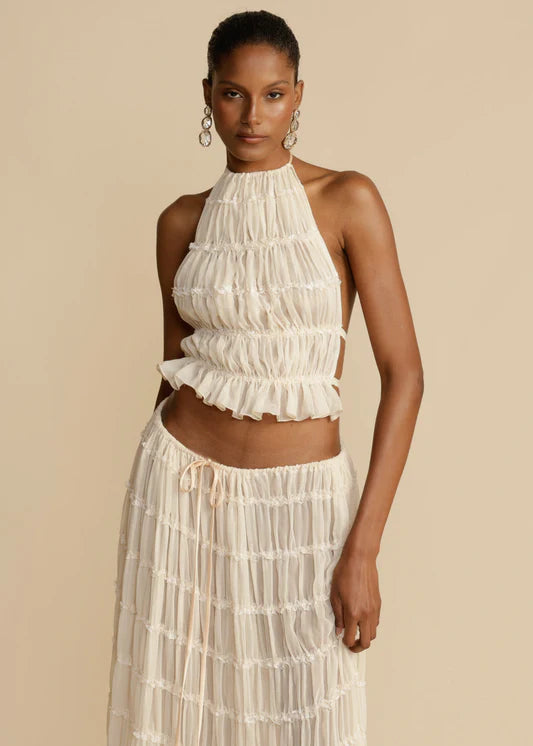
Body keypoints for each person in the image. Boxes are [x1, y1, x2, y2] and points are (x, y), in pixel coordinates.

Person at [106, 10, 423, 746]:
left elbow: (404, 375)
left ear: (298, 95)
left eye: (273, 95)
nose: (253, 116)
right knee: (176, 718)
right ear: (207, 95)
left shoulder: (347, 199)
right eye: (233, 94)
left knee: (308, 715)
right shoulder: (180, 222)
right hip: (179, 496)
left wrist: (364, 549)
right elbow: (175, 367)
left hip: (304, 507)